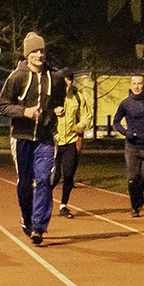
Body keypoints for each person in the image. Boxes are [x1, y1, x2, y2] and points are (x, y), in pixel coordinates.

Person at [0, 32, 66, 245]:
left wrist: (57, 109)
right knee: (25, 184)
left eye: (42, 50)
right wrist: (24, 112)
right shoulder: (17, 77)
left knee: (45, 179)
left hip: (45, 138)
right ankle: (27, 217)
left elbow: (58, 99)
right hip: (21, 137)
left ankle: (38, 227)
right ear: (27, 54)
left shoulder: (55, 77)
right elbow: (2, 106)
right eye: (35, 51)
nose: (39, 54)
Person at [112, 75, 144, 217]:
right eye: (134, 83)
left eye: (139, 83)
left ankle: (138, 194)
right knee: (132, 178)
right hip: (132, 147)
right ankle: (135, 207)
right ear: (130, 85)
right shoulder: (125, 104)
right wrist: (126, 132)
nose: (136, 86)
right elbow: (115, 122)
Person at [52, 70, 92, 218]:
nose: (65, 83)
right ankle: (40, 202)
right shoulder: (53, 97)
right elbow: (43, 115)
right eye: (62, 80)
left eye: (68, 80)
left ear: (71, 81)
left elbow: (86, 116)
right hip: (54, 142)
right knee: (54, 177)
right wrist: (53, 111)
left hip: (70, 141)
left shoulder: (77, 97)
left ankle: (63, 205)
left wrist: (79, 127)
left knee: (68, 175)